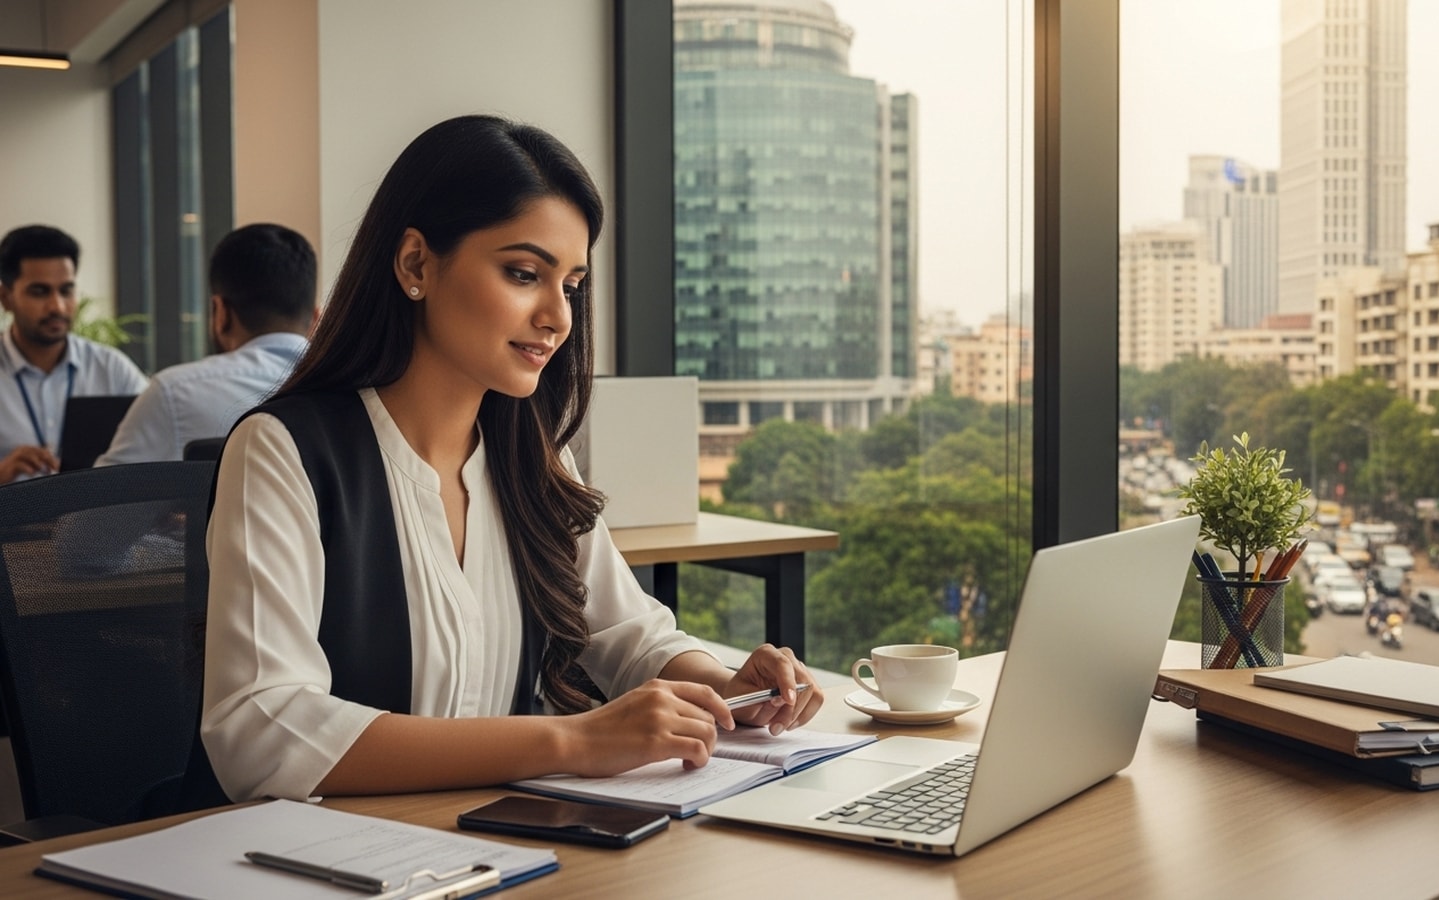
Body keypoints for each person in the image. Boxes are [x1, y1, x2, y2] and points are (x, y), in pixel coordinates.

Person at [199, 115, 824, 803]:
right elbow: (262, 730)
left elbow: (626, 632)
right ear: (416, 264)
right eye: (524, 274)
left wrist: (725, 688)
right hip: (340, 851)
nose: (559, 316)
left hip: (503, 839)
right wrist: (573, 742)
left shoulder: (532, 456)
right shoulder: (285, 451)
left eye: (572, 285)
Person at [95, 223, 316, 466]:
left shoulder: (173, 394)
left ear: (221, 312)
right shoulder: (346, 393)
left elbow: (104, 488)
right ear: (316, 319)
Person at [0, 225, 148, 482]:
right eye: (39, 292)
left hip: (93, 508)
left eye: (66, 291)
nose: (57, 306)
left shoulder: (111, 369)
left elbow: (155, 446)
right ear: (6, 298)